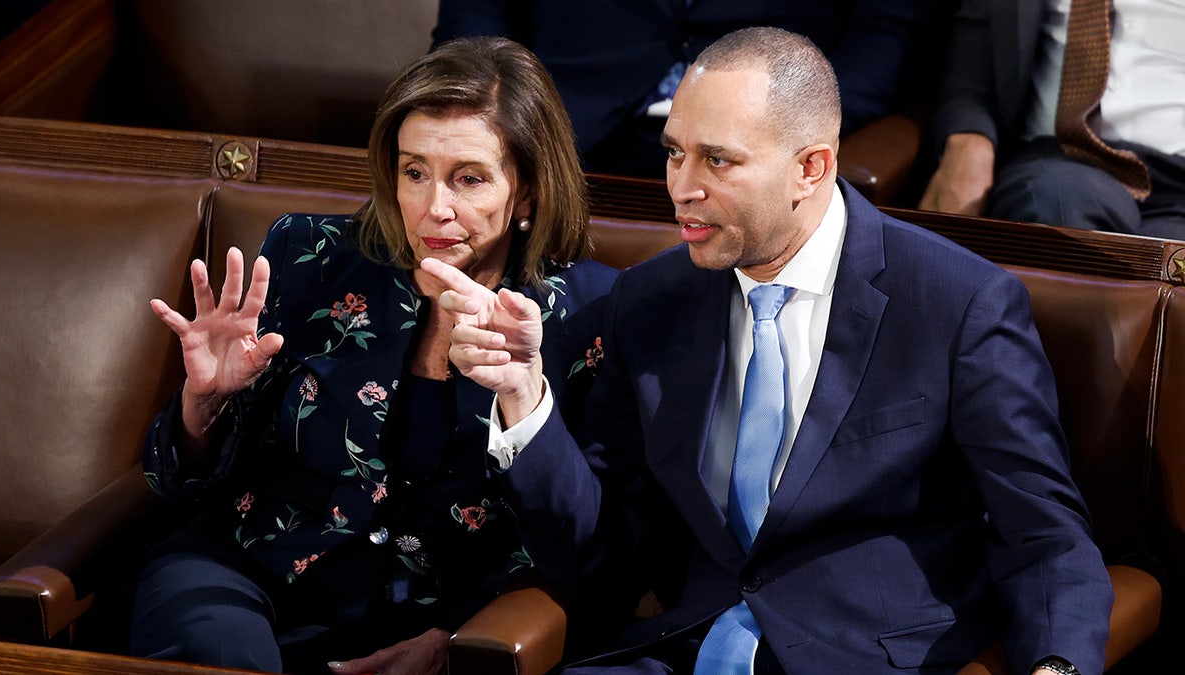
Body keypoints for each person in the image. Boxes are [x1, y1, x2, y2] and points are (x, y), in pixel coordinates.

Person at [425, 27, 1114, 674]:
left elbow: (1044, 539)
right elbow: (602, 554)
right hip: (674, 650)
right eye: (673, 152)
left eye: (718, 160)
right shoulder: (649, 301)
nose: (681, 187)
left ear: (810, 167)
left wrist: (1055, 666)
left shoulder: (958, 304)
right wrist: (522, 393)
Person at [129, 36, 617, 675]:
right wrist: (205, 403)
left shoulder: (591, 315)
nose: (433, 208)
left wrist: (524, 395)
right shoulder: (311, 254)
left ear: (526, 192)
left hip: (439, 620)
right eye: (415, 171)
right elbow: (177, 484)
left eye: (468, 179)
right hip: (242, 576)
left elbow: (583, 548)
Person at [432, 0, 946, 179]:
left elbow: (886, 33)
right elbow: (475, 13)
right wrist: (489, 112)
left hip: (759, 135)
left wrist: (794, 127)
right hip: (557, 124)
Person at [919, 0, 1185, 238]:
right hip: (1064, 160)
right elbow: (973, 66)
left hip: (1178, 177)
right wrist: (968, 145)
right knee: (1058, 212)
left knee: (1171, 274)